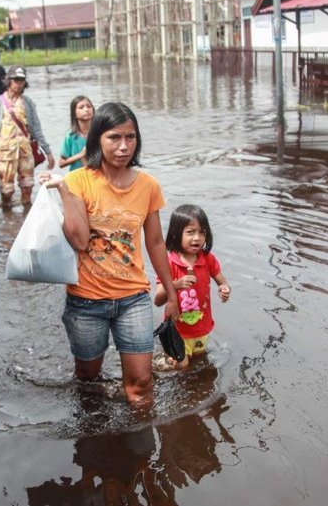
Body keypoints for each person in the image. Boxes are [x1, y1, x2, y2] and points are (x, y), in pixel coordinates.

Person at [40, 102, 179, 406]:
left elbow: (156, 242)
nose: (123, 146)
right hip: (86, 300)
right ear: (97, 139)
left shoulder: (148, 185)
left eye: (130, 137)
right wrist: (64, 192)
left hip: (133, 298)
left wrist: (171, 293)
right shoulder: (77, 181)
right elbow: (79, 240)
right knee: (88, 380)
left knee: (141, 385)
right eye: (114, 137)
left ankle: (141, 436)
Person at [153, 204, 231, 368]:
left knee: (199, 360)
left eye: (202, 232)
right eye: (190, 232)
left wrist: (224, 289)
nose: (197, 238)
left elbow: (222, 282)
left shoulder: (208, 259)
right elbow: (158, 300)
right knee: (182, 366)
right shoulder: (168, 263)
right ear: (176, 234)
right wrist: (176, 284)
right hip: (177, 329)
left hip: (201, 327)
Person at [0, 66, 54, 209]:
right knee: (6, 190)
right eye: (16, 80)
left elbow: (36, 129)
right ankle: (7, 214)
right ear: (8, 81)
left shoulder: (28, 103)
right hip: (4, 152)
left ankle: (26, 215)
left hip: (25, 151)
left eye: (21, 80)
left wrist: (48, 152)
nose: (19, 83)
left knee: (27, 187)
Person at [59, 95, 93, 171]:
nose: (86, 109)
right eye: (81, 107)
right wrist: (80, 155)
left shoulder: (99, 133)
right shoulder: (70, 136)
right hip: (76, 175)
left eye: (89, 106)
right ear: (74, 114)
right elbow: (61, 163)